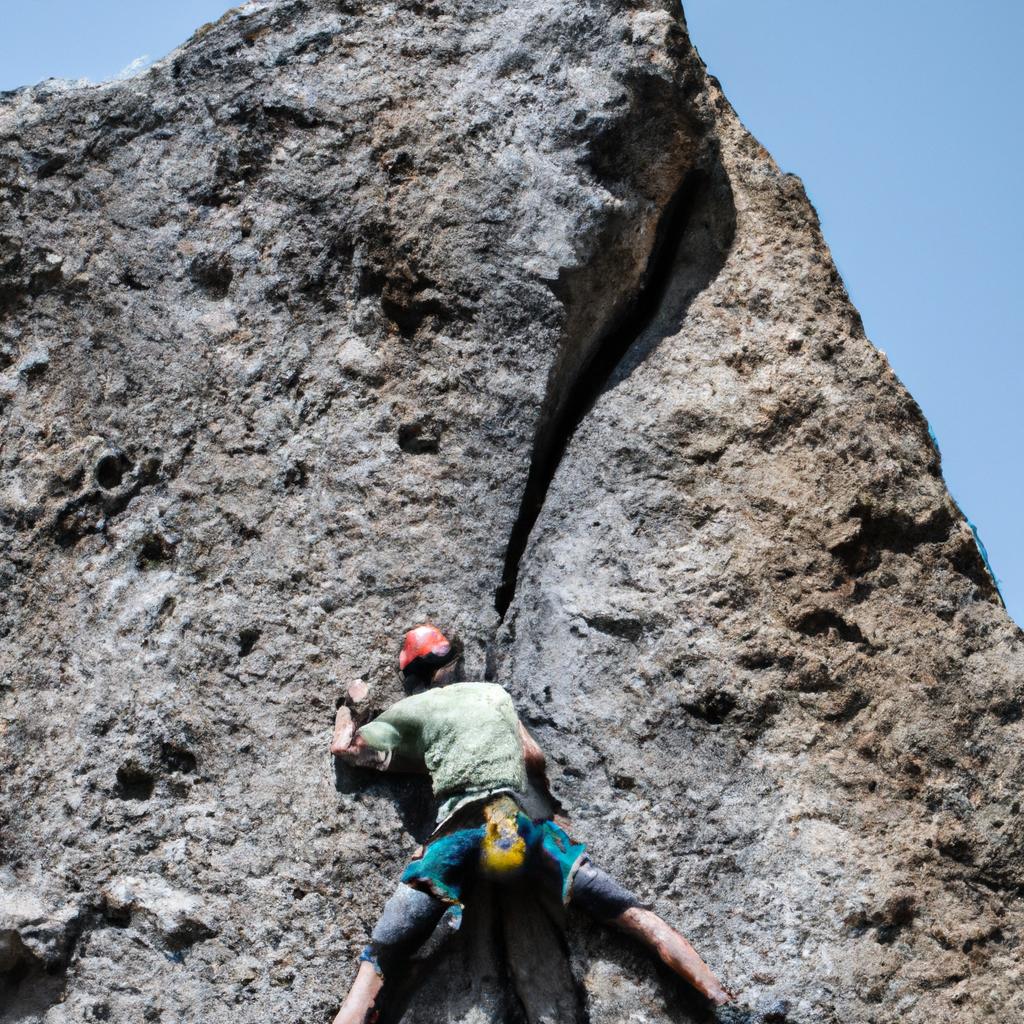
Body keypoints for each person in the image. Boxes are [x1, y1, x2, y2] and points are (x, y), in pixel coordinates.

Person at [330, 624, 733, 1023]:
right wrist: (550, 815)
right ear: (457, 661)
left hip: (458, 835)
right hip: (518, 829)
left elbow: (348, 748)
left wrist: (349, 709)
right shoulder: (495, 695)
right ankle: (724, 1002)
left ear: (412, 677)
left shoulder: (414, 709)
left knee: (380, 961)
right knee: (634, 916)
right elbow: (534, 757)